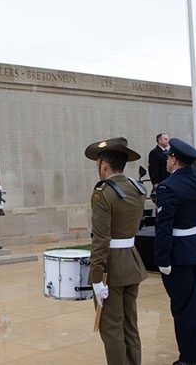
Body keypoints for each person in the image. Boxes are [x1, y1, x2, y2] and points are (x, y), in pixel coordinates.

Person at [85, 137, 148, 365]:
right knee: (130, 325)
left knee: (111, 329)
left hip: (111, 268)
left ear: (103, 164)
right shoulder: (136, 188)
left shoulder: (103, 193)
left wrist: (96, 277)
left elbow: (101, 239)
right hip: (131, 262)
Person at [154, 138, 196, 365]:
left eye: (169, 157)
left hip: (179, 253)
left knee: (183, 308)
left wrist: (162, 258)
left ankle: (190, 359)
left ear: (174, 159)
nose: (167, 161)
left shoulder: (170, 187)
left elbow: (164, 226)